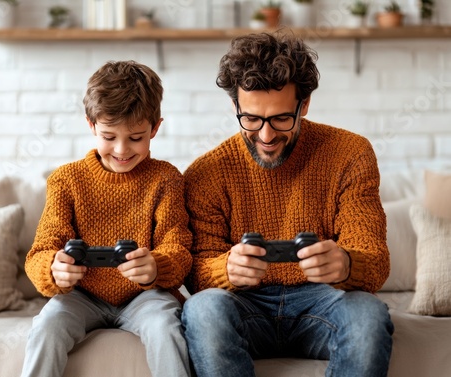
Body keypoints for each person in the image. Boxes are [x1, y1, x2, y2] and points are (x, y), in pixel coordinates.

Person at [181, 31, 394, 377]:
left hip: (324, 300)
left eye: (282, 118)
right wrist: (226, 269)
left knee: (368, 315)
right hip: (245, 306)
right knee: (203, 310)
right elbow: (193, 272)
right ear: (235, 105)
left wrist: (345, 263)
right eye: (251, 119)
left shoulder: (350, 154)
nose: (266, 136)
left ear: (304, 104)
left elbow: (375, 259)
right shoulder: (206, 173)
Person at [21, 60, 193, 377]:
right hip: (81, 296)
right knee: (48, 325)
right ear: (91, 125)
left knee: (166, 328)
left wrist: (156, 265)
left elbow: (179, 248)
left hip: (146, 297)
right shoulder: (66, 180)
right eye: (109, 136)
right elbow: (40, 251)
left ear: (155, 127)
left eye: (136, 137)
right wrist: (53, 268)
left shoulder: (166, 179)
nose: (121, 149)